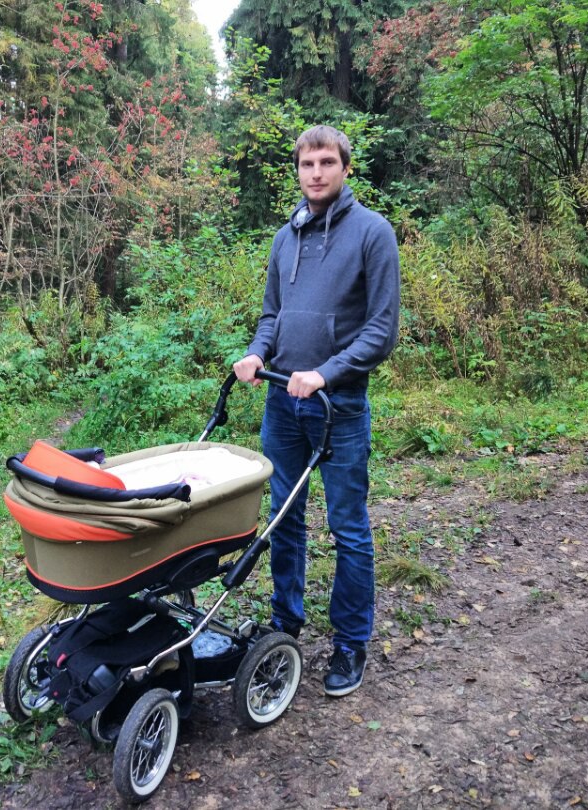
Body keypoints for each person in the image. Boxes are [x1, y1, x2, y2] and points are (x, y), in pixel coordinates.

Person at [233, 125, 399, 697]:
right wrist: (257, 353)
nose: (317, 173)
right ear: (298, 170)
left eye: (327, 162)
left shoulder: (373, 233)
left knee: (347, 525)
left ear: (346, 169)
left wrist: (327, 372)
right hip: (282, 400)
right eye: (308, 164)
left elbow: (381, 330)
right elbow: (272, 316)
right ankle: (286, 622)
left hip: (338, 404)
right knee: (284, 517)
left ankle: (351, 642)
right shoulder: (286, 237)